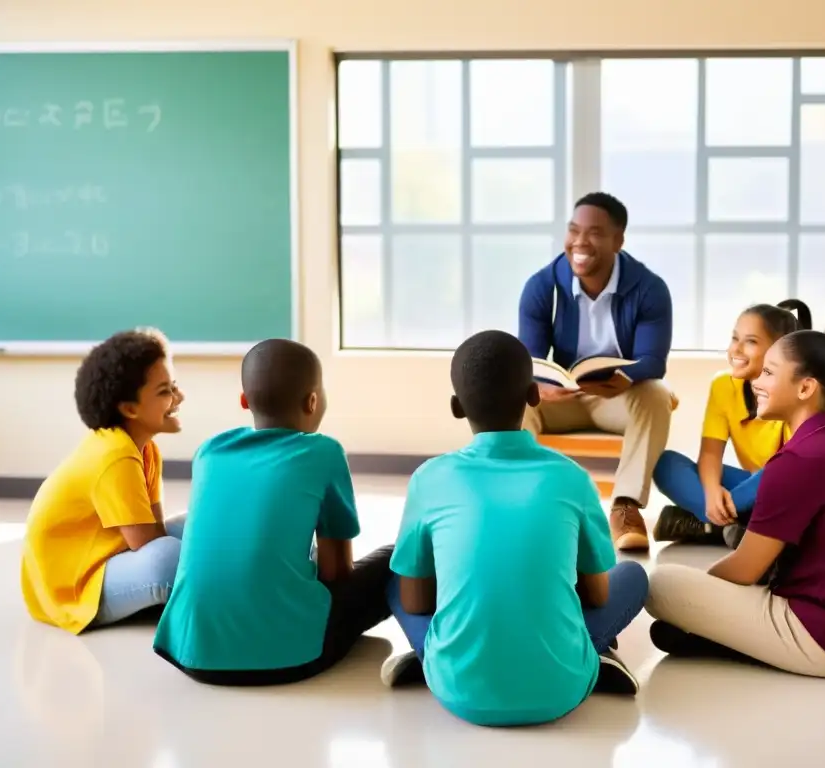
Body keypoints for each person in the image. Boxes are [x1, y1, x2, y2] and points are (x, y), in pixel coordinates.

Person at [380, 330, 649, 727]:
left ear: (456, 407)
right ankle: (592, 654)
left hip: (457, 690)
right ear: (534, 395)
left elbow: (415, 603)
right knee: (633, 575)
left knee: (396, 571)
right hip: (561, 689)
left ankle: (433, 655)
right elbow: (598, 594)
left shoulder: (429, 478)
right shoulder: (572, 477)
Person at [646, 325, 825, 679]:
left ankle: (714, 634)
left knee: (660, 585)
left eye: (768, 372)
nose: (757, 381)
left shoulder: (800, 458)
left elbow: (745, 570)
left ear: (805, 388)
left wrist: (702, 595)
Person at [153, 339, 393, 685]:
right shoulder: (323, 452)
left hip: (192, 652)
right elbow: (336, 571)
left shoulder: (209, 452)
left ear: (244, 401)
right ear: (313, 401)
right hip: (289, 657)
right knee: (395, 559)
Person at [519, 192, 674, 552]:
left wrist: (623, 379)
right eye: (574, 230)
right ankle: (526, 503)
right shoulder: (542, 287)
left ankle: (625, 507)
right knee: (516, 398)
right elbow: (530, 359)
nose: (580, 242)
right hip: (562, 398)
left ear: (618, 241)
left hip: (615, 398)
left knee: (657, 393)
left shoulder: (649, 288)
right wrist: (540, 386)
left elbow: (653, 359)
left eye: (595, 233)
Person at [21, 328, 185, 633]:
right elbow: (148, 544)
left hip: (109, 555)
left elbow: (156, 529)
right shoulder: (116, 456)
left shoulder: (146, 449)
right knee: (168, 559)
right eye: (165, 391)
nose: (180, 397)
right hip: (73, 587)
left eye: (174, 386)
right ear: (129, 408)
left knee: (196, 523)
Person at [652, 299, 816, 547]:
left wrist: (728, 502)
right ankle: (733, 524)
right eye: (734, 338)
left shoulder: (799, 391)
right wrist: (711, 494)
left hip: (789, 491)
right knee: (666, 464)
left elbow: (794, 470)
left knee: (778, 471)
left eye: (751, 342)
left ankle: (714, 524)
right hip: (751, 488)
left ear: (779, 351)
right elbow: (710, 454)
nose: (736, 349)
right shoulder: (723, 386)